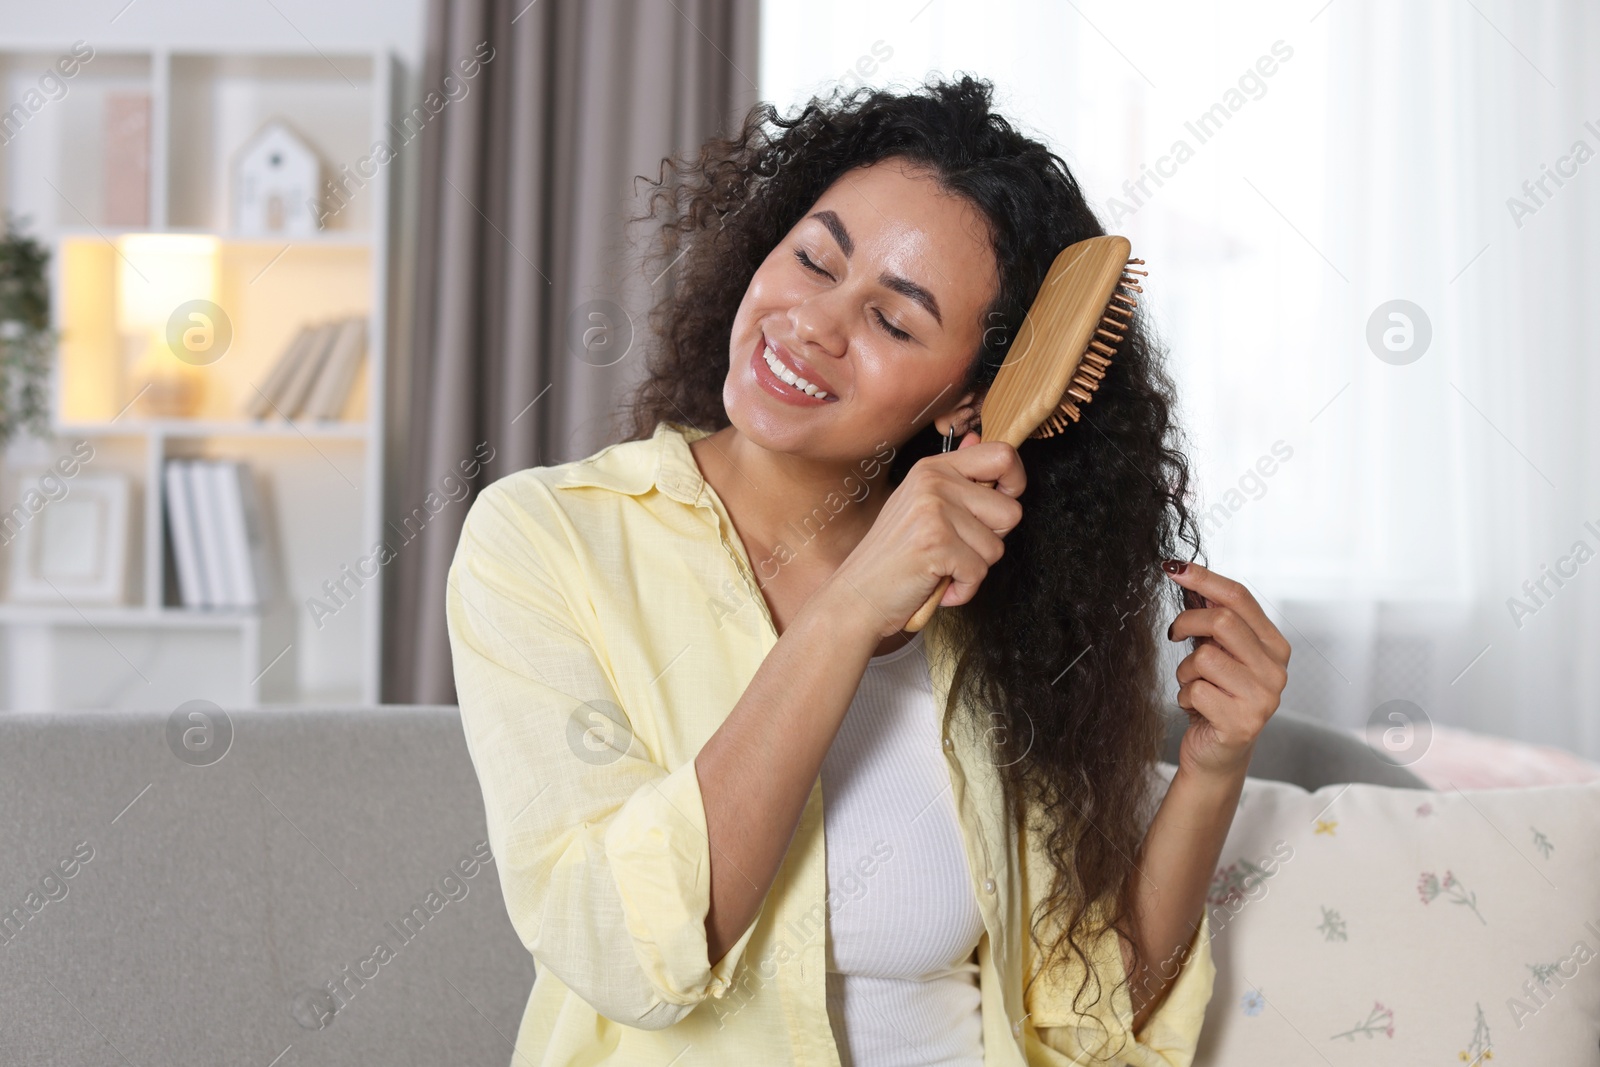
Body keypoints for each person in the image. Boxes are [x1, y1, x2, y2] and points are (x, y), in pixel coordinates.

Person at [446, 74, 1291, 1066]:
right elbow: (622, 950)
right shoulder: (547, 541)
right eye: (812, 258)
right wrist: (848, 610)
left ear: (964, 402)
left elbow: (1088, 1024)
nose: (813, 321)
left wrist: (1212, 764)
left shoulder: (990, 625)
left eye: (896, 322)